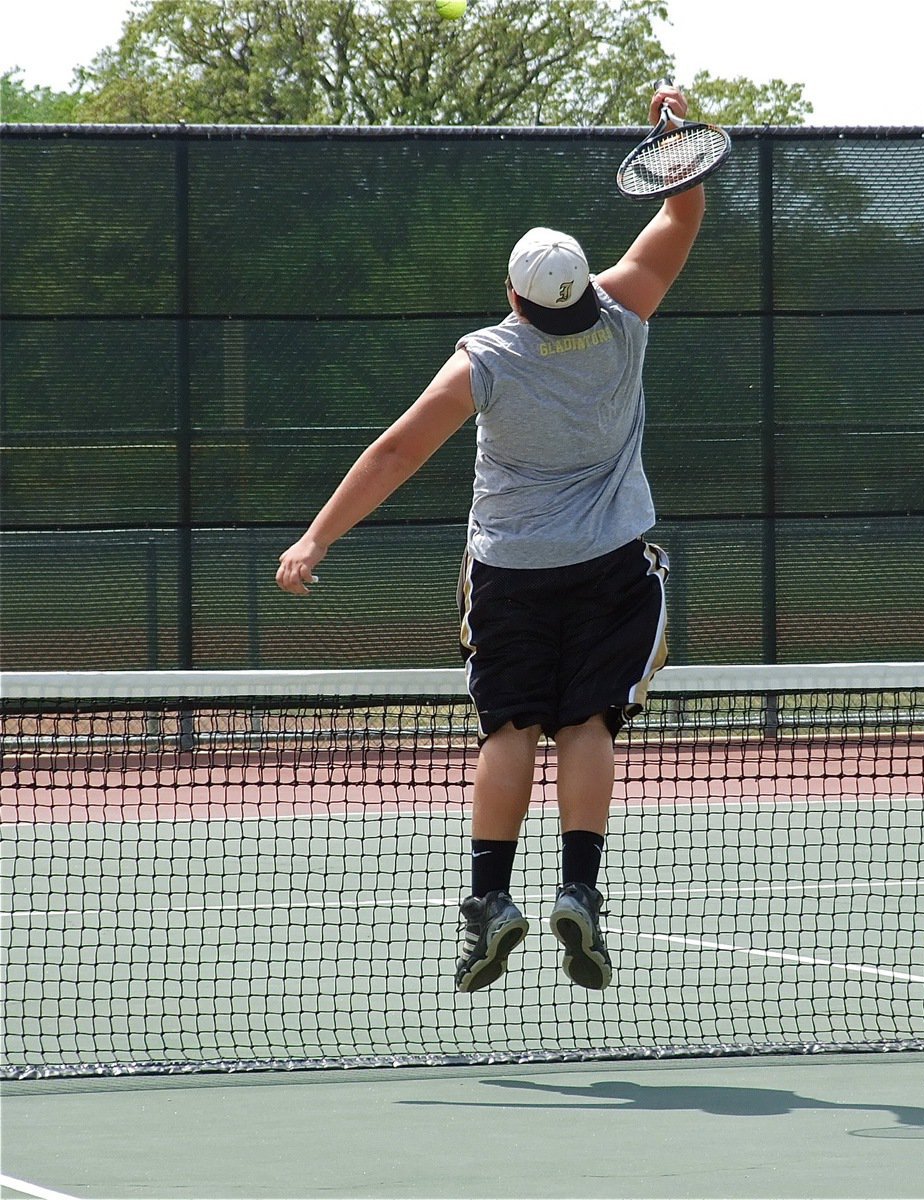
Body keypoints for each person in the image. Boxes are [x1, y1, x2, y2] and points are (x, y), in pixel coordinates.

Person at [276, 82, 705, 994]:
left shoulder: (486, 358)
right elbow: (684, 207)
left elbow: (395, 453)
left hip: (509, 573)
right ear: (584, 283)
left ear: (510, 292)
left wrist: (315, 540)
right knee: (587, 721)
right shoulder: (626, 315)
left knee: (510, 727)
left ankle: (489, 901)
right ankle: (579, 888)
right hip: (612, 564)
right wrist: (674, 131)